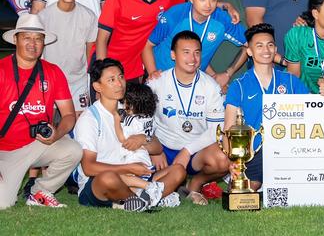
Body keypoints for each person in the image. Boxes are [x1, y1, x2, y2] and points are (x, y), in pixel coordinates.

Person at [74, 59, 185, 211]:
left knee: (178, 171)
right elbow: (88, 168)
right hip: (101, 182)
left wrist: (144, 139)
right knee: (108, 178)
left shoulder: (129, 108)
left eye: (121, 77)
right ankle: (147, 199)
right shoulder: (89, 119)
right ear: (97, 86)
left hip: (136, 177)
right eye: (111, 80)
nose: (119, 84)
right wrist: (129, 168)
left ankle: (136, 202)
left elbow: (157, 148)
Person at [0, 14, 82, 209]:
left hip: (37, 144)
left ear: (44, 42)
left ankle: (39, 191)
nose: (33, 43)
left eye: (38, 39)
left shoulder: (53, 71)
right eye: (27, 37)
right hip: (5, 150)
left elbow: (69, 115)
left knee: (73, 150)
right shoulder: (2, 70)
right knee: (3, 204)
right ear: (15, 39)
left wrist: (57, 133)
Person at [147, 31, 231, 205]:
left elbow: (216, 129)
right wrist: (154, 149)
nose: (192, 58)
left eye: (197, 52)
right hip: (162, 149)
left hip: (194, 152)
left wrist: (187, 151)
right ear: (173, 55)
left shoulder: (210, 86)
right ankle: (170, 182)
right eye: (186, 52)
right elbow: (141, 122)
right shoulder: (156, 82)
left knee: (223, 159)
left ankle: (195, 184)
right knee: (132, 154)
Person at [224, 23, 309, 191]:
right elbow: (228, 128)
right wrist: (232, 162)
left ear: (275, 48)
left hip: (286, 149)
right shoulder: (239, 85)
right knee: (244, 190)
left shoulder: (291, 81)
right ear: (249, 51)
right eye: (259, 46)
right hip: (253, 151)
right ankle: (250, 181)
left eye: (270, 45)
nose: (266, 50)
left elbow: (311, 113)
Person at [142, 0, 247, 90]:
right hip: (162, 78)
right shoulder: (175, 15)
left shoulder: (222, 20)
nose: (208, 5)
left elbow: (251, 44)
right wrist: (152, 72)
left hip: (193, 83)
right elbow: (148, 45)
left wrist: (228, 73)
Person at [96, 0, 184, 82]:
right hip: (107, 67)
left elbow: (194, 3)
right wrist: (102, 76)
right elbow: (102, 40)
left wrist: (221, 4)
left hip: (133, 72)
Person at [38, 0, 96, 115]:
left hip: (78, 80)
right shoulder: (43, 17)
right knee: (47, 125)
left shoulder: (88, 16)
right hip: (49, 79)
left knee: (79, 126)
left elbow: (90, 49)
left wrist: (91, 76)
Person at [205, 0, 249, 81]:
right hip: (203, 76)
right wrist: (213, 75)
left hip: (237, 76)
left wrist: (228, 74)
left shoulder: (243, 0)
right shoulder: (199, 4)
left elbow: (249, 42)